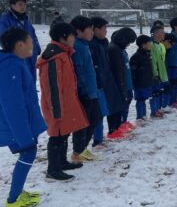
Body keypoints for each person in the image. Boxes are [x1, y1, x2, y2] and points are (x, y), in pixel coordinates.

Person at [0, 28, 47, 207]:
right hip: (15, 125)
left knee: (28, 153)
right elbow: (12, 105)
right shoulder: (9, 66)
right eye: (30, 41)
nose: (33, 45)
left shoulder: (15, 62)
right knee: (28, 151)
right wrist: (23, 135)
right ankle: (14, 199)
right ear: (19, 44)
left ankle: (18, 192)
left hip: (21, 123)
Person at [37, 22, 90, 182]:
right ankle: (52, 170)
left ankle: (61, 162)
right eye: (72, 35)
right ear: (63, 37)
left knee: (64, 134)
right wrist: (56, 110)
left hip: (66, 103)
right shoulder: (54, 57)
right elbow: (52, 87)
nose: (74, 38)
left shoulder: (63, 53)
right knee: (57, 137)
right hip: (58, 106)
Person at [69, 16, 102, 163]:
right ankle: (77, 152)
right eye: (89, 29)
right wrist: (84, 92)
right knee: (82, 123)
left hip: (92, 91)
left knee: (94, 118)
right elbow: (78, 72)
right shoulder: (77, 47)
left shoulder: (84, 45)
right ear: (78, 31)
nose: (92, 32)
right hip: (85, 93)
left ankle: (81, 149)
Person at [89, 17, 125, 148]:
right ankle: (97, 140)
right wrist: (99, 81)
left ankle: (102, 136)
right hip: (98, 84)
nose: (106, 31)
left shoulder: (103, 43)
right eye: (104, 28)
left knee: (104, 109)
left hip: (107, 80)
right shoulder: (91, 45)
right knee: (98, 113)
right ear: (96, 29)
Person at [0, 0, 41, 82]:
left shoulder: (26, 20)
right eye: (20, 4)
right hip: (17, 57)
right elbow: (4, 39)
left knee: (30, 82)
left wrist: (37, 48)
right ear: (12, 5)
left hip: (30, 56)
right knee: (20, 82)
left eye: (24, 5)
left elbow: (33, 35)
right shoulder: (5, 20)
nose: (23, 7)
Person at [108, 27, 137, 138]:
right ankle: (114, 128)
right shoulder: (114, 49)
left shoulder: (120, 49)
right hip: (120, 85)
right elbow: (117, 70)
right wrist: (122, 86)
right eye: (128, 42)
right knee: (118, 107)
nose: (129, 45)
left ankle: (121, 124)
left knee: (125, 104)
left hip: (126, 83)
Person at [130, 35, 153, 122]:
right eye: (149, 43)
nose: (151, 44)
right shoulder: (136, 56)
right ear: (143, 44)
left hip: (146, 81)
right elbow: (133, 70)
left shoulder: (147, 54)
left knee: (144, 98)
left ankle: (143, 115)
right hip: (139, 82)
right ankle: (140, 116)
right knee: (140, 99)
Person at [150, 25, 169, 118]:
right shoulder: (152, 46)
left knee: (161, 91)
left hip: (163, 72)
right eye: (162, 32)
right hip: (156, 73)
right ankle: (154, 110)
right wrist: (155, 73)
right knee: (155, 92)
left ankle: (158, 108)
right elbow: (153, 61)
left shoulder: (161, 45)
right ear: (156, 33)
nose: (163, 34)